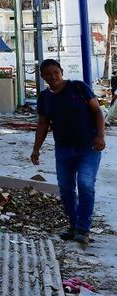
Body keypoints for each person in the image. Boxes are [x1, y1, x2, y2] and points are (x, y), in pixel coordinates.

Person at [30, 59, 106, 244]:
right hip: (63, 150)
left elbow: (97, 112)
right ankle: (74, 226)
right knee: (65, 189)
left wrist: (100, 136)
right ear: (42, 77)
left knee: (85, 184)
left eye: (56, 72)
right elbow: (43, 124)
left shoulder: (78, 88)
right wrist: (36, 149)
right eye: (48, 74)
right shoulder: (44, 97)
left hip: (88, 147)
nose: (53, 76)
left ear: (61, 71)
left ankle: (83, 229)